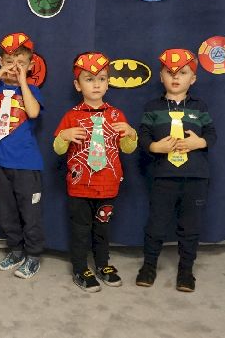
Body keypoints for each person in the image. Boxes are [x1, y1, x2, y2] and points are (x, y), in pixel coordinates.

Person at [53, 52, 138, 292]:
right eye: (89, 79)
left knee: (103, 228)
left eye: (102, 79)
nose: (96, 84)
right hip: (80, 186)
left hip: (108, 184)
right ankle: (80, 268)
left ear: (108, 83)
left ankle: (103, 264)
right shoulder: (72, 116)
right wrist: (64, 136)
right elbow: (58, 149)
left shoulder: (116, 115)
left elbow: (128, 149)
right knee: (80, 230)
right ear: (77, 85)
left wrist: (131, 133)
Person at [135, 49, 217, 293]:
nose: (176, 77)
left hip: (195, 177)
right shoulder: (152, 107)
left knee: (190, 227)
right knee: (156, 225)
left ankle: (186, 270)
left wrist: (199, 142)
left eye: (183, 73)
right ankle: (149, 266)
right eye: (170, 72)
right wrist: (154, 146)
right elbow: (142, 135)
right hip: (164, 177)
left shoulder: (200, 107)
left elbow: (212, 134)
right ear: (161, 77)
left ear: (193, 78)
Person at [0, 32, 44, 279]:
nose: (14, 67)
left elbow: (33, 113)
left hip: (26, 163)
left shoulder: (32, 90)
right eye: (9, 62)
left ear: (30, 65)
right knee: (7, 213)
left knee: (30, 214)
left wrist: (23, 82)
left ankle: (33, 255)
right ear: (0, 62)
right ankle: (15, 250)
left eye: (21, 63)